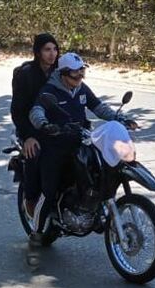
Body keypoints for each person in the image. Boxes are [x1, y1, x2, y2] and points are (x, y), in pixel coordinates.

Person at [27, 53, 138, 245]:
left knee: (102, 169)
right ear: (63, 74)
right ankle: (36, 230)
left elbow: (98, 107)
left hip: (81, 140)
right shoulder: (50, 91)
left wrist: (119, 118)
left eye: (82, 73)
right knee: (49, 190)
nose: (79, 78)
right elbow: (36, 111)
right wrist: (45, 125)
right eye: (75, 74)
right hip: (55, 145)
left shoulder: (81, 89)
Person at [11, 34, 61, 218]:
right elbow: (17, 111)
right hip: (31, 127)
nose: (52, 54)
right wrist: (28, 136)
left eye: (55, 49)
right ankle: (31, 199)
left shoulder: (61, 71)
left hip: (56, 126)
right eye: (47, 49)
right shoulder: (26, 75)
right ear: (38, 52)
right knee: (35, 152)